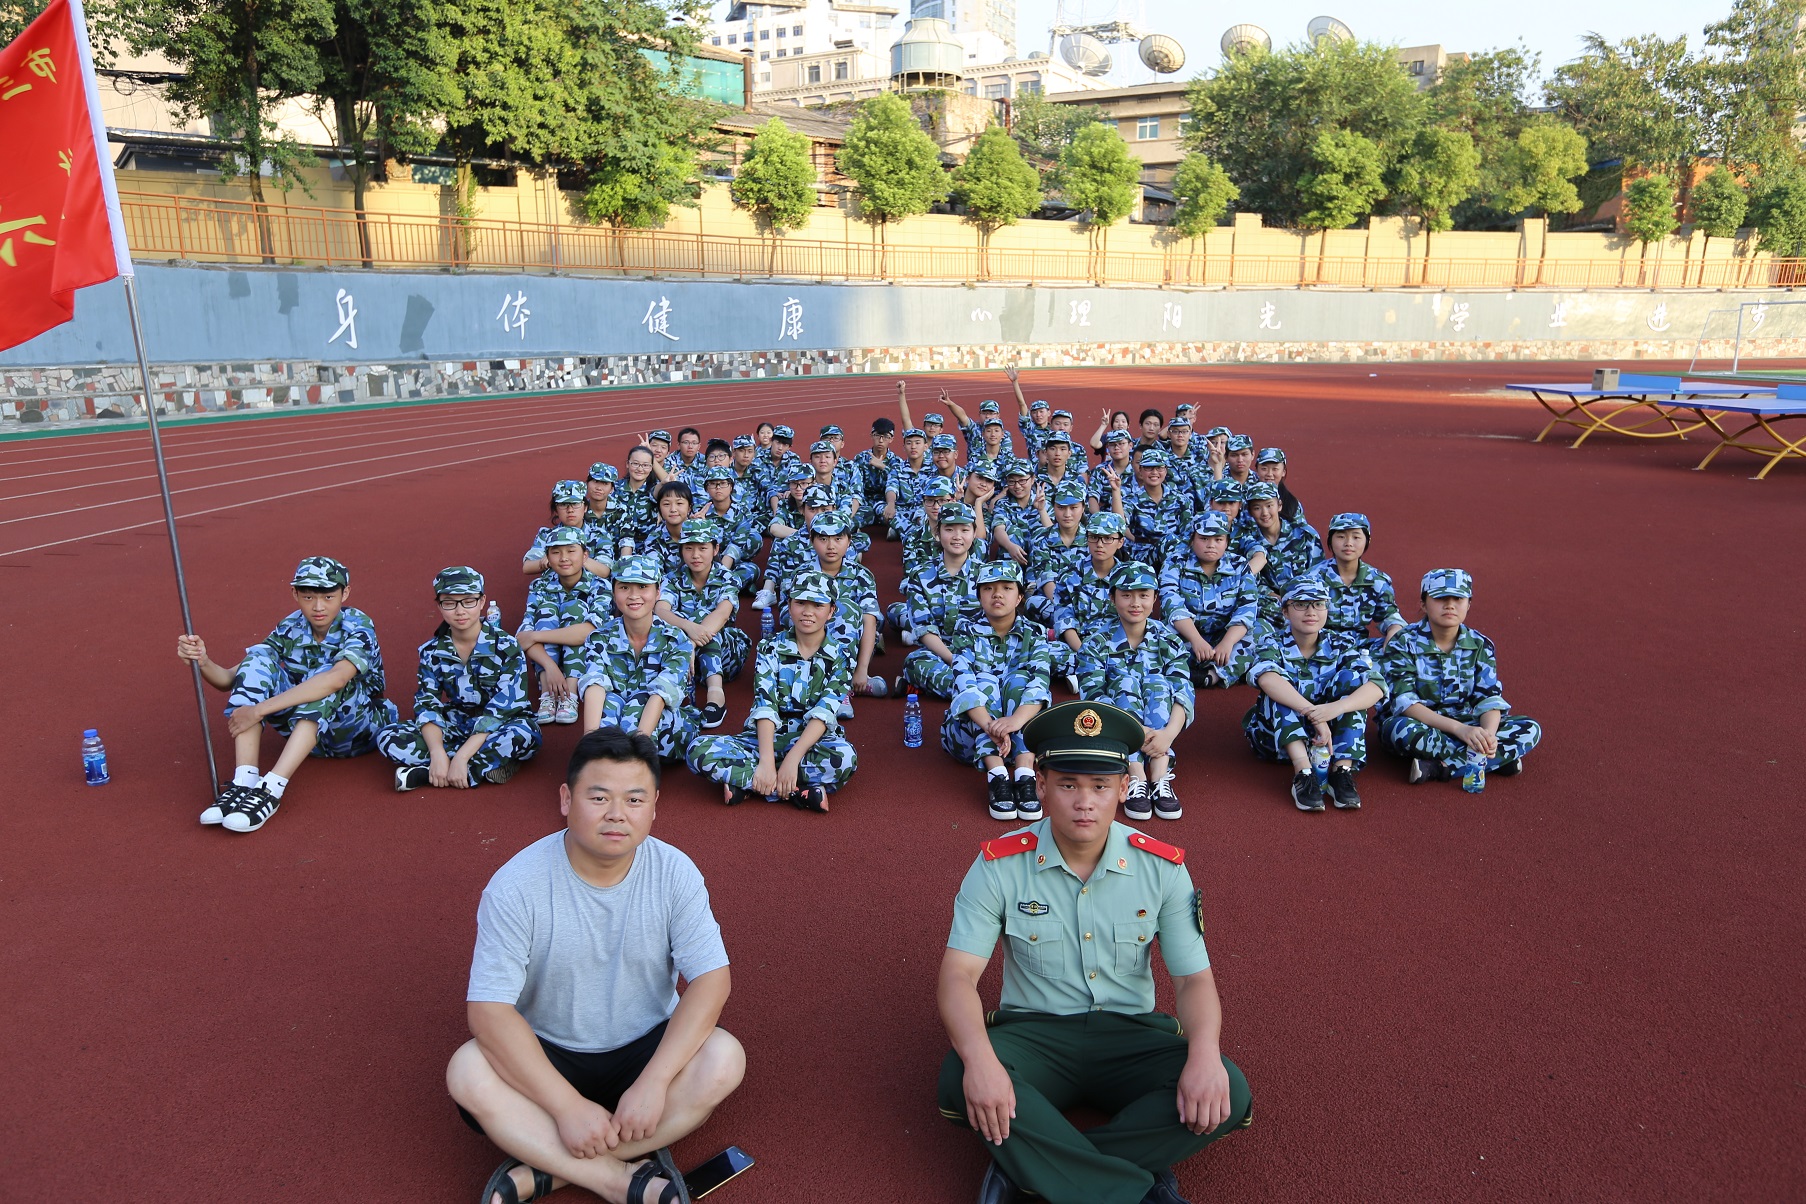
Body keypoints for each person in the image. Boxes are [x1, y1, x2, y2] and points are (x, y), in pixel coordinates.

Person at [935, 700, 1253, 1204]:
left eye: (1101, 786)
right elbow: (957, 976)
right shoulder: (998, 865)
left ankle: (1029, 1170)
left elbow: (1193, 980)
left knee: (1227, 1089)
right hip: (1036, 1035)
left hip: (1129, 1035)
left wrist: (1205, 1054)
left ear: (1124, 789)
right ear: (1041, 785)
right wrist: (980, 1061)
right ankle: (1139, 1187)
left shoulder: (1163, 869)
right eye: (1068, 785)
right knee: (961, 1075)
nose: (1085, 802)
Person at [447, 727, 744, 1204]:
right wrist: (566, 1106)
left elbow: (712, 979)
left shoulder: (675, 872)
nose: (617, 814)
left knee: (724, 1059)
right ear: (566, 799)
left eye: (634, 799)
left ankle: (548, 1168)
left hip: (645, 1045)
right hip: (549, 1051)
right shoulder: (515, 886)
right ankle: (618, 1179)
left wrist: (654, 1083)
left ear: (654, 806)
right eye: (599, 797)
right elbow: (488, 1011)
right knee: (467, 1071)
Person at [176, 556, 395, 833]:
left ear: (345, 593)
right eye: (308, 597)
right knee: (257, 659)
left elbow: (337, 679)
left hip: (355, 732)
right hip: (307, 738)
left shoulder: (358, 624)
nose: (318, 606)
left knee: (326, 678)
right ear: (295, 594)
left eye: (328, 597)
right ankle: (245, 781)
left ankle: (271, 789)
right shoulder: (290, 626)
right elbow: (231, 679)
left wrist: (258, 711)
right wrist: (202, 661)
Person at [686, 571, 858, 813]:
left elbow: (824, 713)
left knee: (845, 758)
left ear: (831, 611)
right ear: (789, 605)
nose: (808, 612)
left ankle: (750, 784)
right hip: (764, 738)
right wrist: (767, 761)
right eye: (800, 602)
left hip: (812, 741)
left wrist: (792, 760)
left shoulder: (843, 656)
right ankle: (797, 790)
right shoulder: (770, 647)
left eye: (818, 605)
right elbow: (765, 705)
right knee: (698, 750)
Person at [380, 567, 541, 791]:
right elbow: (427, 705)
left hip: (499, 725)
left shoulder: (507, 647)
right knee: (389, 737)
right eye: (449, 603)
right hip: (458, 722)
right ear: (439, 605)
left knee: (524, 735)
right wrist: (437, 752)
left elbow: (501, 710)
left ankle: (431, 773)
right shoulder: (432, 651)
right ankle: (478, 767)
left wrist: (462, 756)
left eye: (468, 601)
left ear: (482, 601)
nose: (460, 611)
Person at [1379, 569, 1542, 785]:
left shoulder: (1480, 644)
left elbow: (1488, 699)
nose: (1450, 605)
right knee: (1400, 731)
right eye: (1440, 598)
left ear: (1469, 604)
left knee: (1530, 728)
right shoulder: (1403, 642)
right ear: (1423, 604)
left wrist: (1488, 737)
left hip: (1467, 721)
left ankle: (1441, 768)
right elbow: (1405, 703)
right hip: (1423, 723)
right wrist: (1460, 730)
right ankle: (1497, 760)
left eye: (1458, 599)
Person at [1244, 579, 1388, 813]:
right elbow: (1266, 678)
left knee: (1353, 681)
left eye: (1319, 604)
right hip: (1275, 740)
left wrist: (1335, 709)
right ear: (1285, 611)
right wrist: (1315, 715)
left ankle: (1342, 770)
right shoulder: (1271, 642)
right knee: (1280, 689)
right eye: (1301, 604)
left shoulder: (1341, 643)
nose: (1311, 612)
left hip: (1328, 742)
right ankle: (1303, 774)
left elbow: (1376, 686)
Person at [1079, 562, 1193, 822]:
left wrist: (1167, 735)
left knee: (1159, 684)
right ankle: (1136, 776)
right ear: (1112, 597)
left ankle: (1160, 776)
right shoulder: (1095, 643)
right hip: (1114, 728)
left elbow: (1183, 691)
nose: (1135, 603)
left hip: (1161, 733)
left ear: (1155, 598)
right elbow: (1093, 696)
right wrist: (1136, 732)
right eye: (1126, 595)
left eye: (1143, 595)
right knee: (1125, 684)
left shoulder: (1169, 639)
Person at [942, 561, 1052, 823]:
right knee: (984, 681)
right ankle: (997, 775)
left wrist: (1014, 721)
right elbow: (965, 684)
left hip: (1019, 733)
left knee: (1020, 680)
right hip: (968, 739)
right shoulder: (965, 631)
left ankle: (1024, 774)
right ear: (979, 596)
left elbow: (1040, 682)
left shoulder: (1035, 633)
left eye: (1006, 588)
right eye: (988, 588)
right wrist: (992, 726)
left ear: (1020, 596)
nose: (997, 594)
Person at [575, 557, 699, 761]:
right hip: (620, 720)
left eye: (643, 587)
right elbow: (594, 685)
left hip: (666, 727)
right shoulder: (599, 638)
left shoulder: (676, 640)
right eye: (624, 587)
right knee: (609, 702)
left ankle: (630, 765)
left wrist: (637, 751)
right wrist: (590, 742)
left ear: (657, 592)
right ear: (614, 592)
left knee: (639, 701)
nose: (633, 596)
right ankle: (599, 760)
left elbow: (660, 696)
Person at [654, 520, 747, 732]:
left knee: (707, 620)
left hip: (726, 655)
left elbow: (722, 613)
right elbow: (661, 610)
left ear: (715, 549)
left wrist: (691, 643)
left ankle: (716, 696)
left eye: (703, 548)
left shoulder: (727, 577)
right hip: (685, 657)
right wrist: (688, 628)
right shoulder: (672, 578)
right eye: (689, 548)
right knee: (671, 623)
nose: (695, 555)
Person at [517, 527, 613, 726]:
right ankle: (548, 694)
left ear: (585, 555)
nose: (563, 558)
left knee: (575, 609)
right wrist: (551, 667)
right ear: (547, 558)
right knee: (546, 612)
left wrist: (535, 636)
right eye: (555, 552)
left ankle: (570, 694)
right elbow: (523, 635)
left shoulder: (599, 586)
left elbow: (587, 632)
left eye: (571, 551)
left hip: (586, 656)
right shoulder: (539, 586)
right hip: (549, 663)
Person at [1159, 512, 1261, 693]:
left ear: (1227, 542)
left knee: (1260, 632)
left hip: (1223, 636)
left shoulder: (1239, 565)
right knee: (1158, 636)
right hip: (1186, 634)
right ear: (1192, 539)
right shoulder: (1175, 562)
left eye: (1218, 539)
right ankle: (1178, 671)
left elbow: (1247, 608)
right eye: (1204, 538)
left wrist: (1228, 642)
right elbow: (1172, 605)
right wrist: (1196, 640)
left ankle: (1211, 676)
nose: (1211, 545)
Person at [901, 501, 984, 698]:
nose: (957, 536)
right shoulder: (920, 575)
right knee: (915, 662)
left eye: (965, 530)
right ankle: (978, 690)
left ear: (974, 533)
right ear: (937, 532)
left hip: (979, 651)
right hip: (939, 653)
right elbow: (924, 629)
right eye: (949, 529)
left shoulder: (986, 575)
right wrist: (954, 659)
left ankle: (966, 690)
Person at [1302, 513, 1405, 648]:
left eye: (1356, 537)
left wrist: (1393, 640)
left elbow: (1390, 618)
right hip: (1320, 646)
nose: (1348, 543)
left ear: (1367, 541)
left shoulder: (1377, 581)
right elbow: (1299, 619)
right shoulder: (1312, 579)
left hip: (1360, 648)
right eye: (1341, 537)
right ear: (1330, 540)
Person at [1236, 481, 1324, 626]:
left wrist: (1297, 598)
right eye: (1257, 508)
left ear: (1279, 505)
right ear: (1250, 512)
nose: (1265, 513)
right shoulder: (1247, 541)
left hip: (1306, 598)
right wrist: (1275, 597)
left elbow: (1318, 572)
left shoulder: (1305, 534)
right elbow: (1252, 580)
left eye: (1269, 505)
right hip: (1271, 604)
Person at [525, 481, 612, 578]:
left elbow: (604, 571)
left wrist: (576, 558)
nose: (570, 510)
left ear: (585, 508)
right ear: (556, 510)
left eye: (575, 504)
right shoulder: (546, 534)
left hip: (589, 586)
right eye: (563, 505)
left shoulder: (599, 535)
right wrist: (549, 560)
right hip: (553, 585)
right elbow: (527, 567)